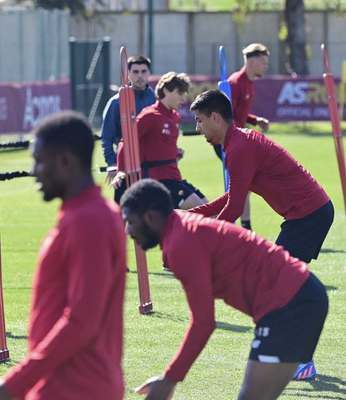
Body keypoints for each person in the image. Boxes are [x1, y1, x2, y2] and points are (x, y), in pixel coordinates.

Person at [121, 179, 328, 400]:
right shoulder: (180, 227)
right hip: (305, 294)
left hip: (289, 304)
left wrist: (169, 379)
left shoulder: (180, 244)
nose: (127, 231)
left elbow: (203, 322)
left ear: (151, 218)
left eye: (130, 222)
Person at [0, 111, 127, 400]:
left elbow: (82, 320)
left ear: (66, 162)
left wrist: (14, 384)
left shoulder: (89, 221)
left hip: (75, 389)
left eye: (39, 160)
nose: (34, 171)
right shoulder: (89, 215)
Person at [190, 89, 333, 380]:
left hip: (308, 215)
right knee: (279, 285)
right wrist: (194, 215)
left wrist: (204, 237)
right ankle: (297, 358)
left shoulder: (239, 148)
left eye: (200, 121)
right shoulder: (237, 143)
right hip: (306, 214)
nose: (198, 128)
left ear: (215, 118)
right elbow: (233, 196)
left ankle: (302, 361)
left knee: (279, 285)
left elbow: (235, 207)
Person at [110, 72, 208, 210]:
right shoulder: (150, 115)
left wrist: (174, 152)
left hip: (174, 177)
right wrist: (121, 170)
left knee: (210, 210)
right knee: (202, 211)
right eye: (180, 93)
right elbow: (126, 140)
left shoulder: (175, 117)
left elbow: (160, 144)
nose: (184, 98)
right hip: (159, 180)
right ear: (166, 90)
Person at [215, 43, 270, 231]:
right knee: (243, 183)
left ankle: (244, 227)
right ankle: (235, 227)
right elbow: (225, 116)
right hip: (226, 141)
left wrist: (255, 121)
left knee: (245, 182)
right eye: (262, 63)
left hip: (237, 139)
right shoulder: (235, 83)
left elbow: (238, 114)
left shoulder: (249, 83)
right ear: (252, 61)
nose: (265, 66)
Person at [101, 55, 156, 203]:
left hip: (151, 166)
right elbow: (106, 136)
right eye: (135, 71)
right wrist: (112, 163)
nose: (140, 76)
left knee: (152, 213)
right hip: (125, 167)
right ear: (128, 74)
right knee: (122, 214)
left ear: (149, 73)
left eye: (143, 71)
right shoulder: (116, 102)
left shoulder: (156, 99)